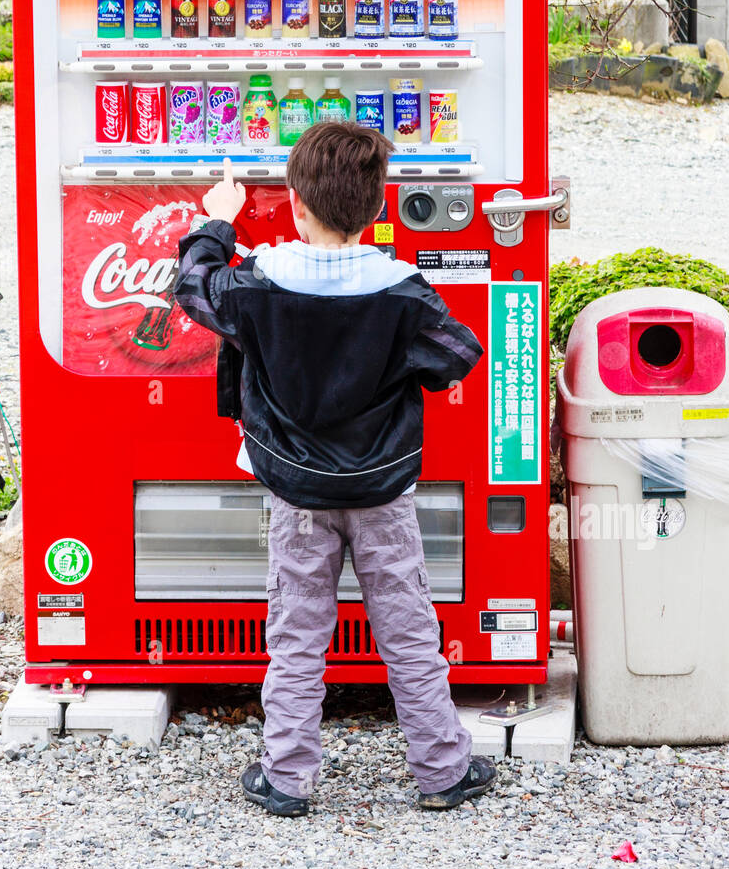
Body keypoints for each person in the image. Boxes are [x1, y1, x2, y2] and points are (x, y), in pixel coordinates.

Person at [173, 122, 494, 816]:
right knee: (409, 630)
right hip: (383, 490)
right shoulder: (403, 290)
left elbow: (194, 287)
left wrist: (218, 223)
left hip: (296, 491)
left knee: (296, 634)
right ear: (377, 207)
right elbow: (457, 355)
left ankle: (287, 779)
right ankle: (442, 771)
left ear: (296, 204)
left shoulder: (258, 282)